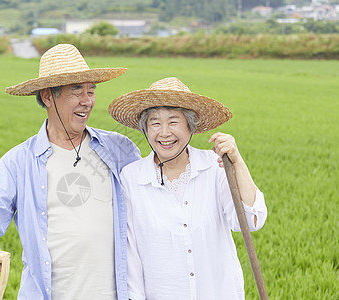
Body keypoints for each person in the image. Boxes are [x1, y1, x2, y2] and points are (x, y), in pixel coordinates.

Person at [0, 44, 141, 300]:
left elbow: (157, 188)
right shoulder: (19, 161)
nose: (87, 101)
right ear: (48, 96)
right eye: (76, 90)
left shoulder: (119, 149)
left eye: (91, 90)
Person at [108, 77, 268, 300]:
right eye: (155, 123)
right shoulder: (132, 177)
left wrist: (237, 162)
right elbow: (131, 252)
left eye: (173, 122)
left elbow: (252, 221)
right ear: (145, 128)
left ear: (190, 126)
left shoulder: (214, 167)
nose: (164, 133)